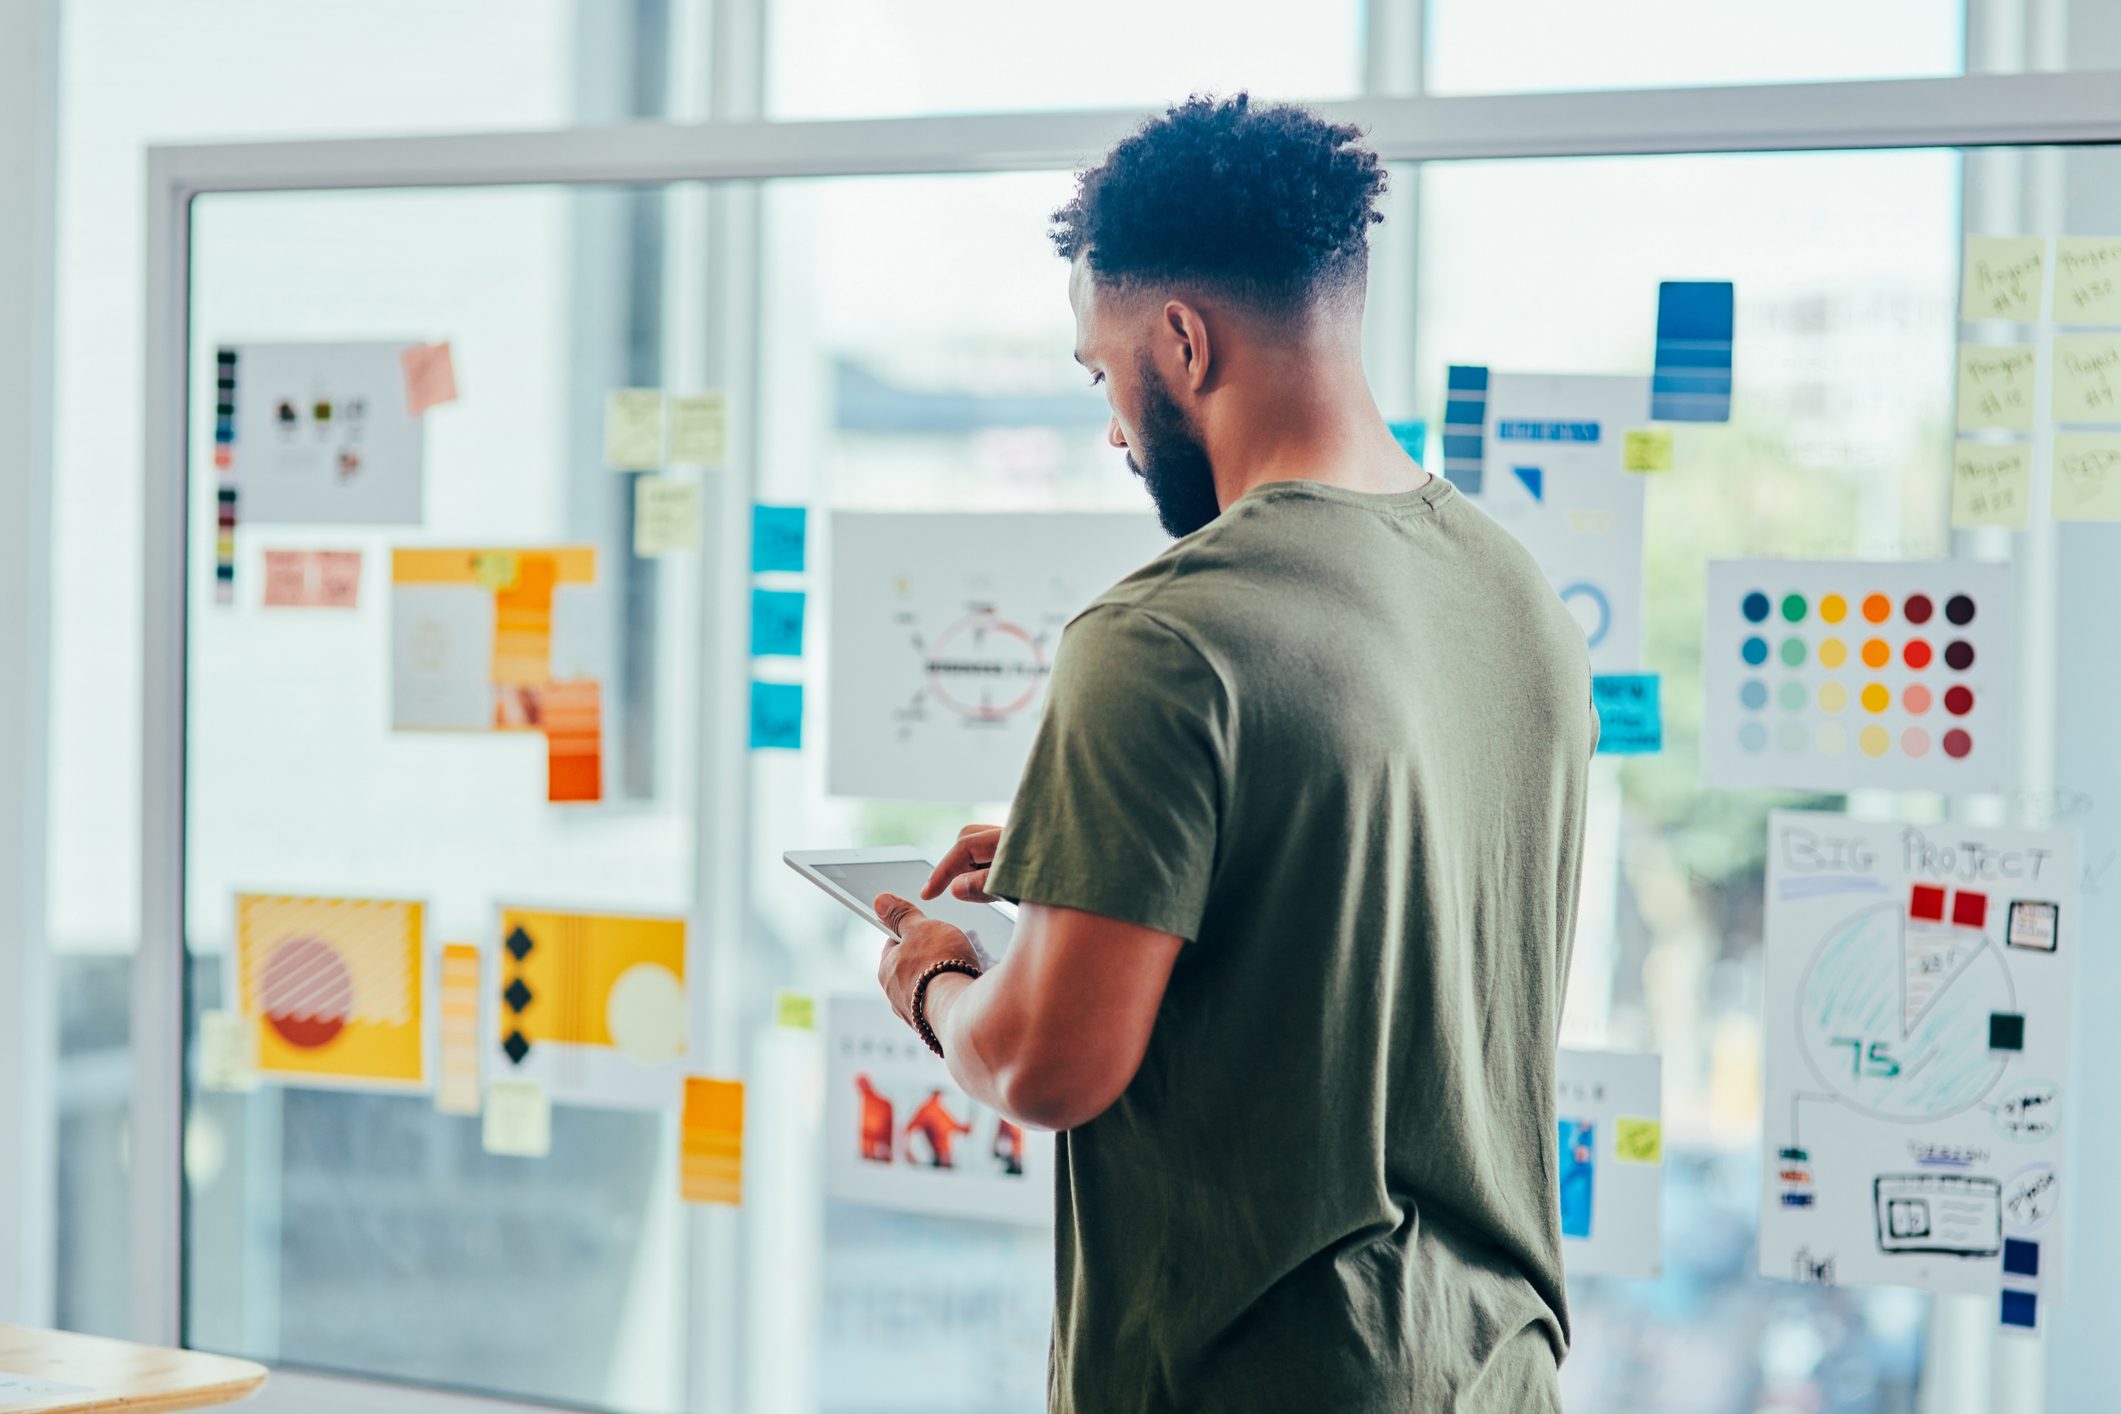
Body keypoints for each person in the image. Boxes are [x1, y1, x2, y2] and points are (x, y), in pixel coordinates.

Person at [872, 92, 1596, 1414]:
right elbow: (1351, 924)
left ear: (1183, 341)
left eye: (1102, 374)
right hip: (1495, 1372)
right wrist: (1084, 878)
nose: (1109, 426)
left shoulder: (1162, 634)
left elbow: (1045, 1061)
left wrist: (935, 979)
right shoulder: (1511, 598)